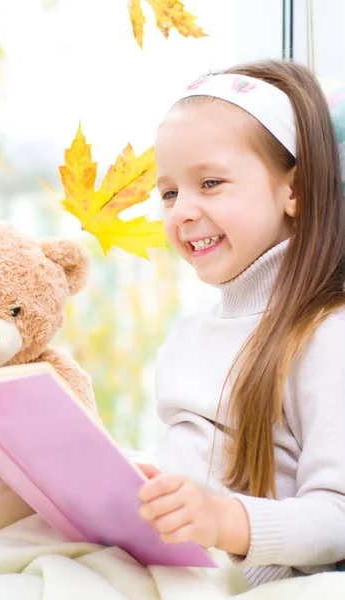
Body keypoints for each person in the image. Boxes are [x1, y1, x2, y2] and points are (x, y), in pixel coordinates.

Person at [137, 60, 345, 587]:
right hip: (162, 569)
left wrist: (222, 521)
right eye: (169, 193)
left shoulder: (326, 335)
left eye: (210, 182)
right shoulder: (186, 337)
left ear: (292, 191)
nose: (181, 210)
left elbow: (338, 518)